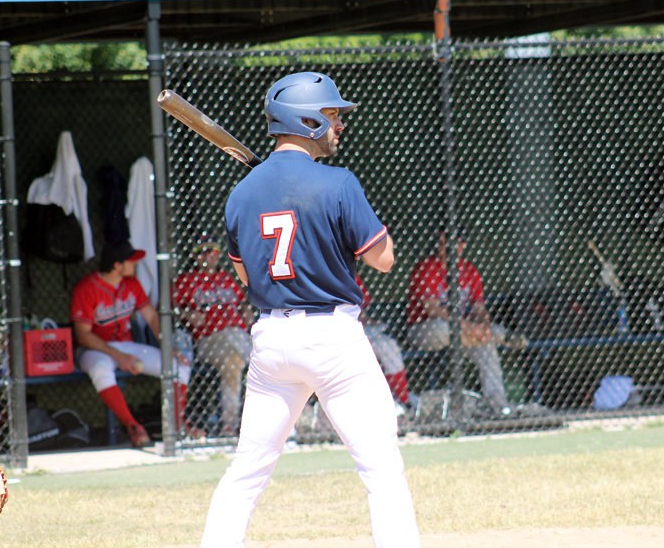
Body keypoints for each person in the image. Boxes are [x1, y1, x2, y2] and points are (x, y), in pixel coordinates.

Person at [200, 71, 420, 548]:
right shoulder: (338, 183)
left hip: (272, 342)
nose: (339, 125)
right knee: (381, 469)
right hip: (332, 339)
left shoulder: (242, 194)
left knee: (247, 473)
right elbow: (384, 260)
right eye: (332, 115)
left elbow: (247, 276)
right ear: (307, 120)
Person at [70, 239, 194, 448]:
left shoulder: (132, 284)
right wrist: (119, 357)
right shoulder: (86, 288)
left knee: (179, 366)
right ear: (117, 265)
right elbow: (83, 335)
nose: (135, 264)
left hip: (126, 345)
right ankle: (133, 426)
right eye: (131, 261)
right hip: (94, 349)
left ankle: (176, 426)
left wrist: (169, 349)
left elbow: (152, 317)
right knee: (101, 368)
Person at [406, 227, 513, 417]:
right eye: (441, 243)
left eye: (450, 243)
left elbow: (479, 308)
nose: (443, 247)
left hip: (462, 334)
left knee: (487, 345)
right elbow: (433, 310)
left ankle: (498, 405)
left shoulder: (469, 271)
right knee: (444, 328)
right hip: (425, 330)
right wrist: (471, 328)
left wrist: (483, 326)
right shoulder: (427, 268)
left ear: (462, 245)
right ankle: (502, 337)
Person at [174, 233, 254, 436]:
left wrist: (246, 311)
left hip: (237, 339)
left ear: (218, 253)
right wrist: (186, 313)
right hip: (209, 340)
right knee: (260, 357)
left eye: (212, 250)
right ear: (195, 256)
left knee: (233, 362)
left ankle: (229, 425)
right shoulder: (186, 281)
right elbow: (167, 309)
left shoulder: (227, 278)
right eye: (201, 251)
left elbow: (243, 304)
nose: (207, 255)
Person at [355, 273, 413, 411]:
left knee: (388, 345)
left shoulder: (349, 272)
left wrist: (371, 322)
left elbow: (360, 313)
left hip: (357, 329)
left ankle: (403, 399)